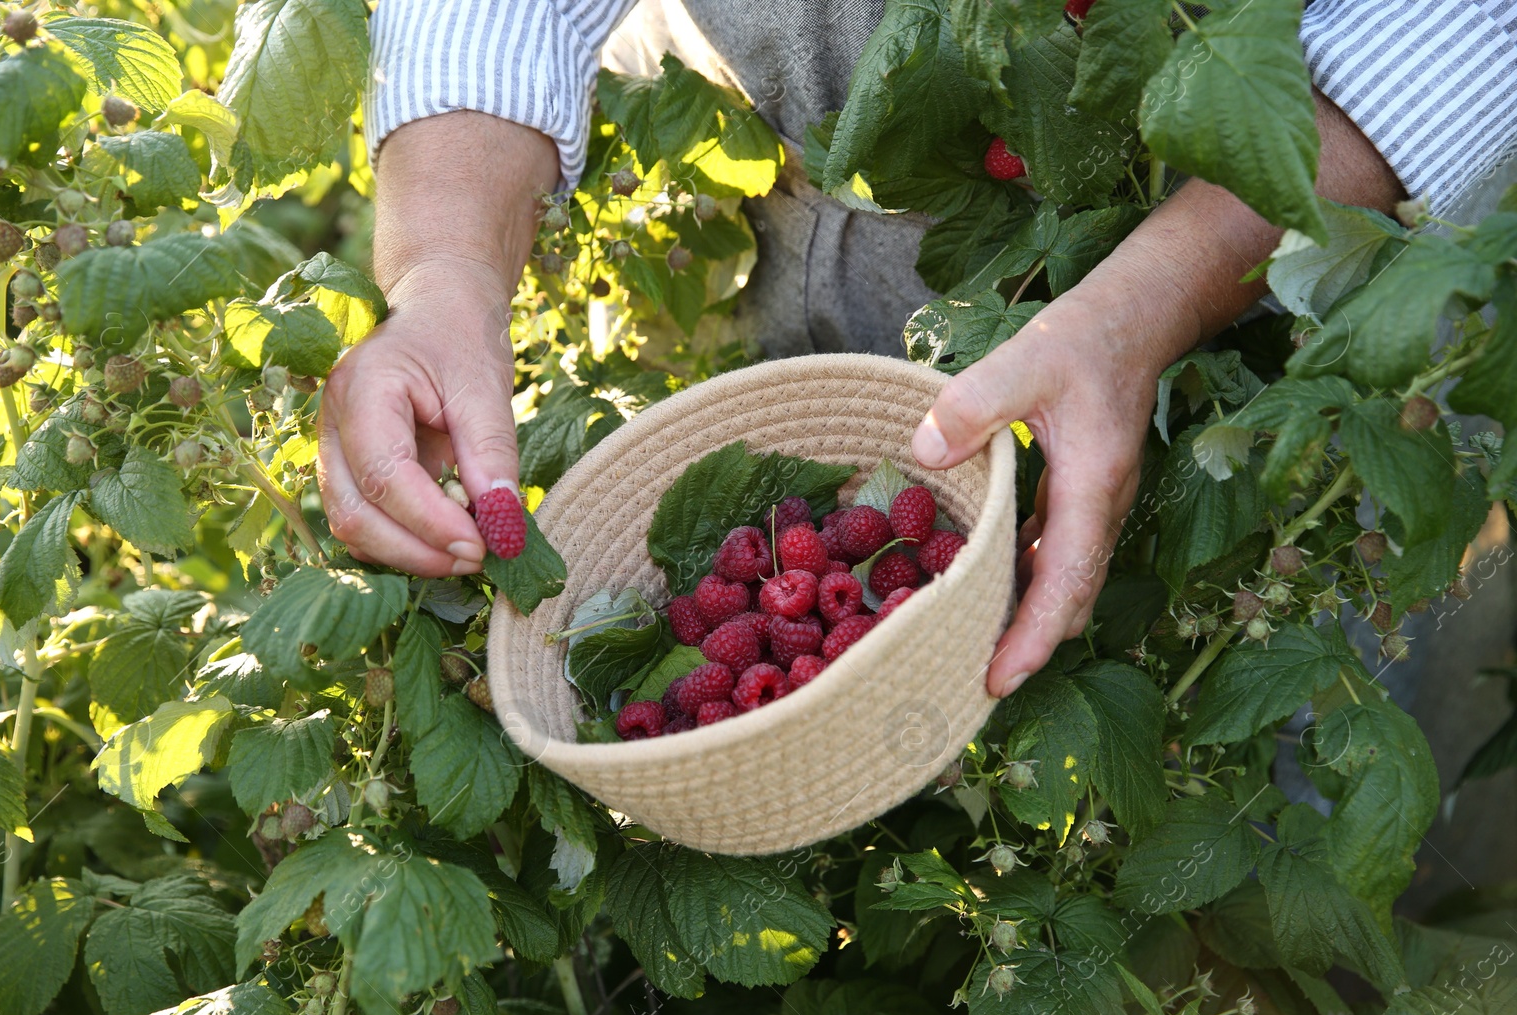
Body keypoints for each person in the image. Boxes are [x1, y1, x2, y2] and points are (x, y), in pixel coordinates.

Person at [318, 0, 1517, 701]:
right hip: (802, 223)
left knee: (1263, 696)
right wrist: (447, 274)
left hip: (1271, 281)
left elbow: (1455, 30)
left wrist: (1142, 308)